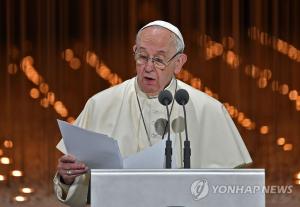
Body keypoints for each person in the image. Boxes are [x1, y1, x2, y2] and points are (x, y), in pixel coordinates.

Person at [53, 20, 252, 206]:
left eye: (159, 60)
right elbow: (78, 192)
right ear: (134, 53)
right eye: (142, 56)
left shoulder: (209, 110)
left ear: (179, 62)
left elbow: (234, 188)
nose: (148, 67)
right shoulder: (100, 105)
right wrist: (67, 178)